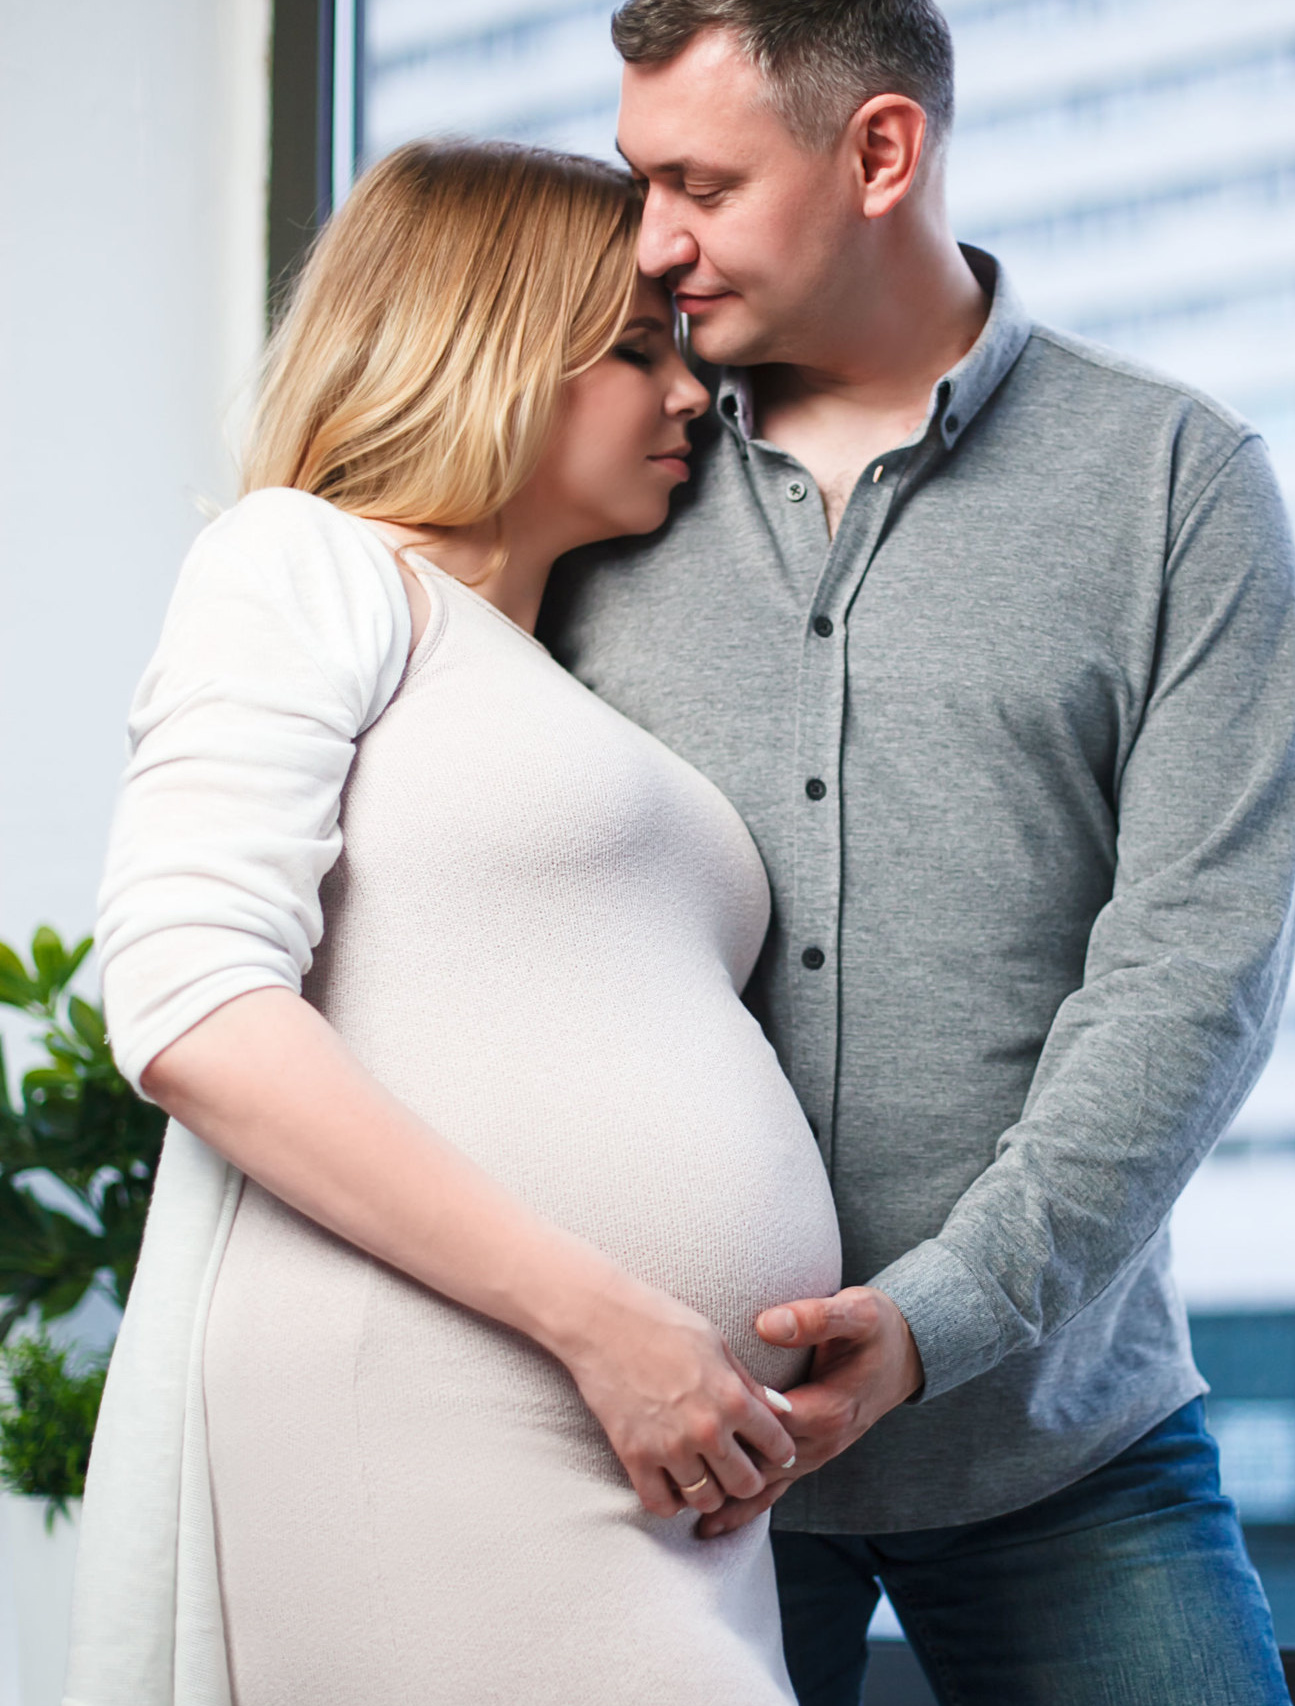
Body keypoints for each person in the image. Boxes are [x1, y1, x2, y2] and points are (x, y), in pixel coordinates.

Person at [540, 2, 1295, 1702]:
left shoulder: (1175, 483)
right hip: (662, 1455)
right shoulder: (598, 465)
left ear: (881, 153)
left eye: (700, 183)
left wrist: (942, 1317)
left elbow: (1198, 975)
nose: (651, 240)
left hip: (1058, 1442)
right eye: (636, 179)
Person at [67, 140, 842, 1706]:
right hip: (451, 1400)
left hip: (655, 1448)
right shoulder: (304, 562)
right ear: (483, 348)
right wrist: (608, 1318)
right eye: (634, 350)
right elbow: (188, 999)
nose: (692, 397)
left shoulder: (562, 681)